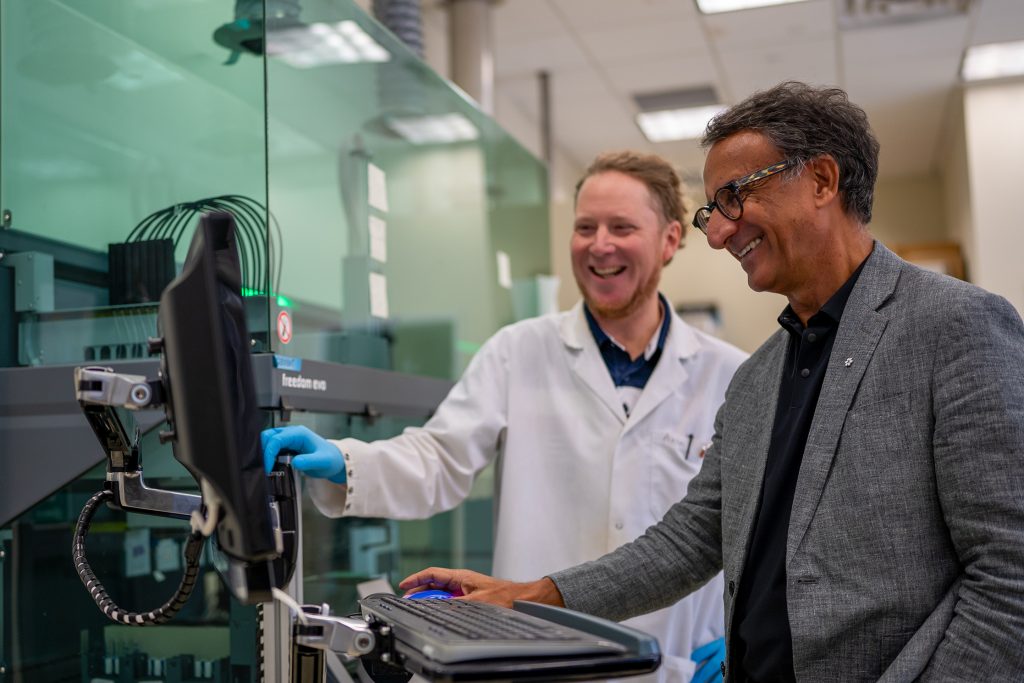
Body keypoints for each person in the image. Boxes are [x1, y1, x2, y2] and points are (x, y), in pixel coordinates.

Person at [399, 81, 1024, 683]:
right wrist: (528, 595)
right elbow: (692, 537)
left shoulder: (953, 328)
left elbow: (1010, 576)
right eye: (711, 212)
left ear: (822, 181)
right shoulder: (757, 377)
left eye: (735, 198)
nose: (721, 232)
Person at [263, 150, 748, 683]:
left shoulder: (730, 375)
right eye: (585, 226)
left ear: (670, 240)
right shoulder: (519, 350)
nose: (599, 243)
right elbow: (441, 457)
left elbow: (745, 528)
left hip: (673, 661)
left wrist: (738, 629)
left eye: (621, 226)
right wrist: (344, 461)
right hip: (532, 657)